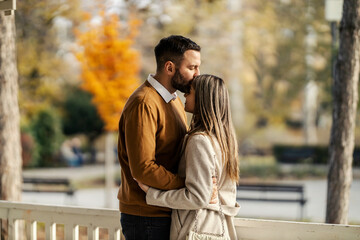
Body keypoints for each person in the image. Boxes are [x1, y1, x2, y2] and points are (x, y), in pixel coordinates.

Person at [136, 74, 241, 240]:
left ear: (202, 98)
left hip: (195, 228)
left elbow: (198, 197)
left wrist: (153, 194)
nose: (184, 95)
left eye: (189, 91)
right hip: (219, 227)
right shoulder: (225, 141)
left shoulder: (200, 141)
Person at [117, 35, 201, 240]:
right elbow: (144, 168)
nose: (197, 75)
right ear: (170, 68)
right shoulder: (144, 103)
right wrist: (190, 185)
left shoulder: (173, 101)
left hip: (167, 210)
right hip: (147, 217)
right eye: (192, 68)